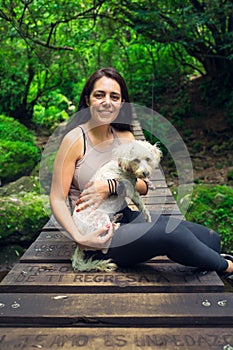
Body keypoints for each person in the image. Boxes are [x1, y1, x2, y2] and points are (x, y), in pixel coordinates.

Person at [50, 67, 233, 280]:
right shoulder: (74, 140)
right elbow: (57, 197)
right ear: (88, 100)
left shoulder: (125, 136)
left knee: (211, 239)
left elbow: (143, 186)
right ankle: (227, 267)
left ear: (122, 103)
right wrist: (78, 236)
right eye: (99, 95)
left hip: (124, 214)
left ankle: (204, 255)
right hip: (96, 229)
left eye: (114, 96)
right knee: (172, 234)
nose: (107, 101)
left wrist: (111, 186)